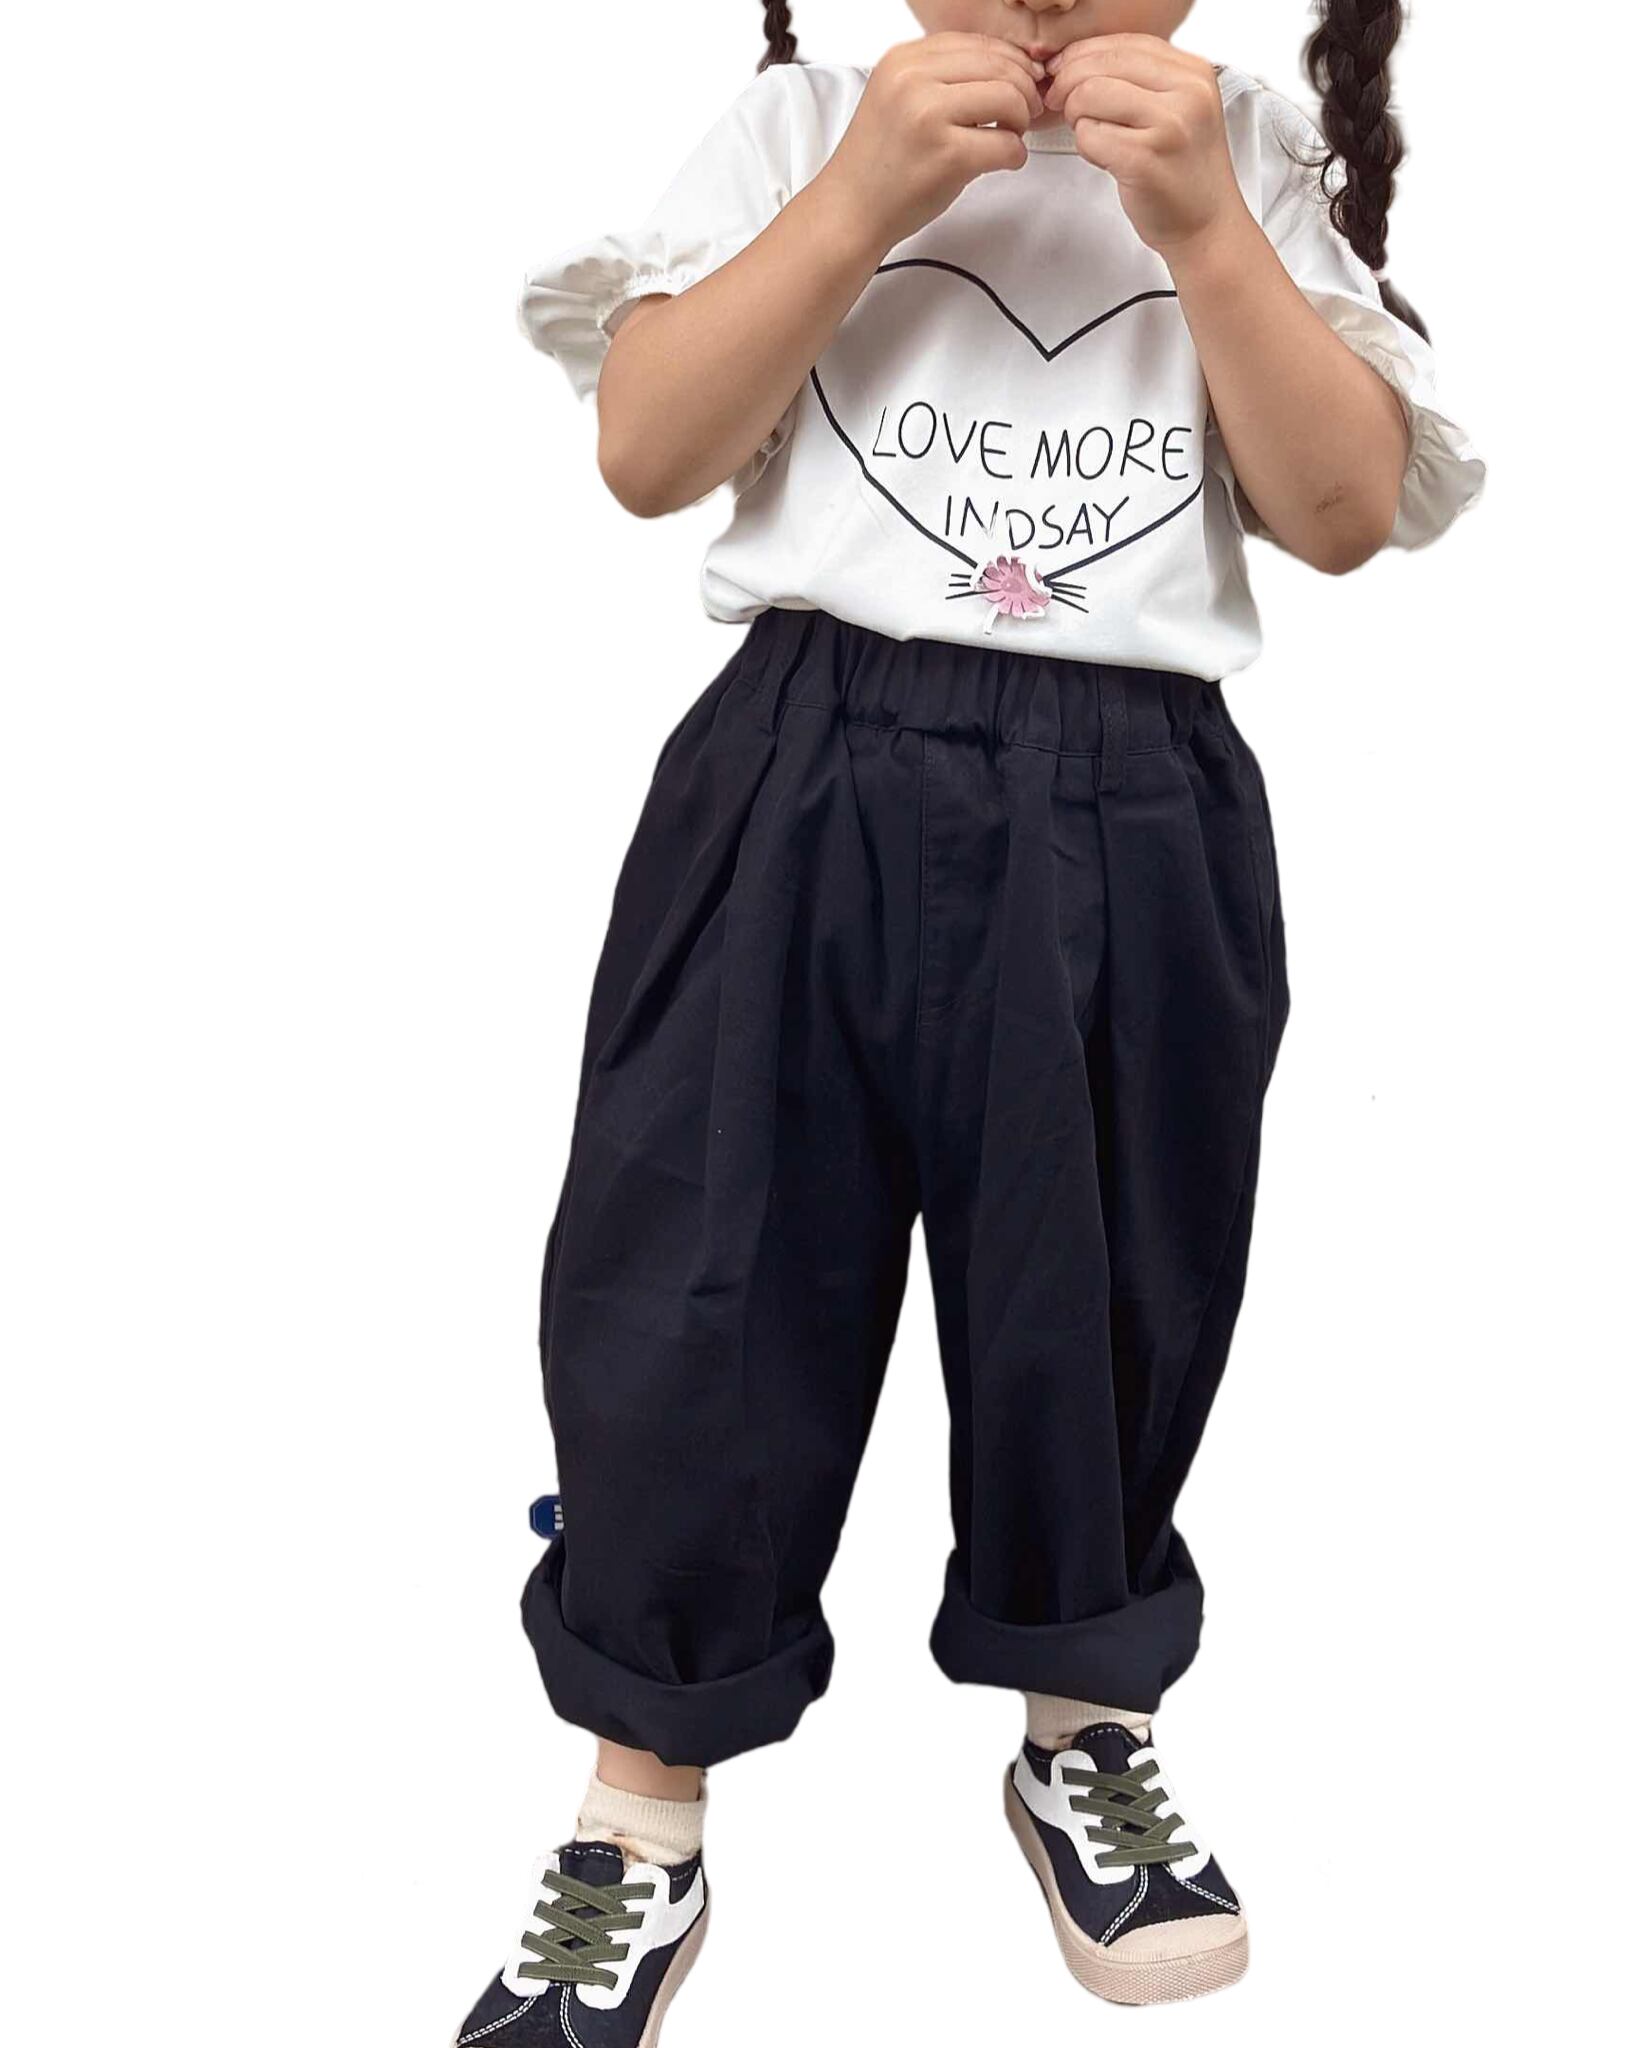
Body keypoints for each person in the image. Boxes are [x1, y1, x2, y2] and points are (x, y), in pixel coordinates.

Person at [457, 3, 1482, 2039]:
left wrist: (1208, 228)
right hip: (799, 774)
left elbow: (1343, 510)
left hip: (1128, 800)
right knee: (694, 1279)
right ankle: (641, 1799)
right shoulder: (799, 127)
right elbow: (648, 453)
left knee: (1101, 1282)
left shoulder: (1250, 154)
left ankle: (1083, 1718)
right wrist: (857, 199)